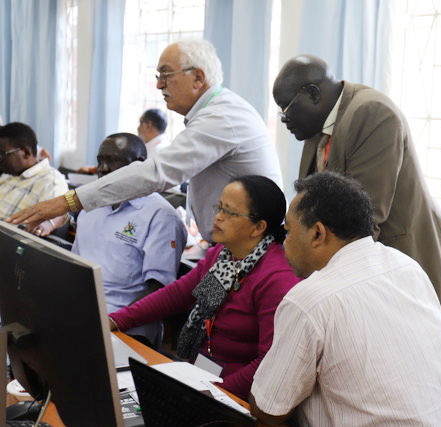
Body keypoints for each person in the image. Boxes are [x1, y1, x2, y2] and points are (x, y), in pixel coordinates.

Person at [249, 171, 441, 426]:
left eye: (288, 231)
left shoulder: (309, 300)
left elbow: (269, 409)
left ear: (317, 234)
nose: (285, 242)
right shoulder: (407, 267)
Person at [9, 39, 282, 246]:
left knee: (214, 320)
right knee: (201, 318)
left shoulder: (222, 116)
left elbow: (156, 172)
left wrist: (68, 201)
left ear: (198, 77)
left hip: (250, 250)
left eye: (166, 76)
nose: (159, 86)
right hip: (228, 249)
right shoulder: (215, 112)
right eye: (157, 77)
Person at [272, 54, 441, 307]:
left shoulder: (372, 113)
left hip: (410, 260)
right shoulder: (316, 122)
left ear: (313, 94)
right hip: (368, 266)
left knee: (396, 345)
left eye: (286, 109)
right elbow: (313, 206)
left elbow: (364, 220)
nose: (284, 119)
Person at [108, 176, 300, 400]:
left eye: (229, 212)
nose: (218, 216)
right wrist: (117, 320)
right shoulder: (224, 256)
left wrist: (213, 394)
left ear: (258, 227)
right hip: (199, 373)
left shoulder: (275, 278)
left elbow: (269, 362)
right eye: (219, 207)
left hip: (236, 393)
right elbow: (177, 295)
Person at [72, 133, 187, 346]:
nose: (102, 168)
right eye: (100, 161)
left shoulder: (160, 216)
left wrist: (111, 322)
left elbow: (159, 290)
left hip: (126, 325)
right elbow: (75, 269)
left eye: (112, 160)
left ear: (140, 166)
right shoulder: (91, 207)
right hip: (82, 314)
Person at [0, 122, 68, 233]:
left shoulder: (51, 181)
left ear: (26, 153)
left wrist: (49, 223)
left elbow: (60, 212)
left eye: (1, 154)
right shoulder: (9, 174)